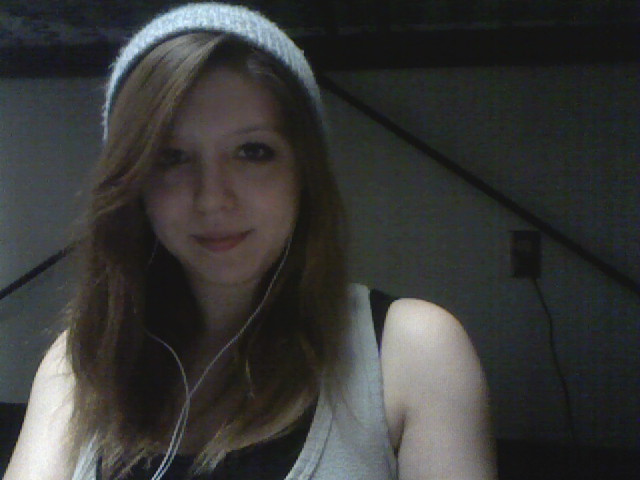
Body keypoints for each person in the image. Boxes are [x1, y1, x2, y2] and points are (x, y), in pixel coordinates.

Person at [3, 3, 496, 480]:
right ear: (135, 184)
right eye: (171, 157)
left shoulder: (411, 352)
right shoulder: (79, 367)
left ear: (303, 171)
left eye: (253, 151)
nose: (212, 199)